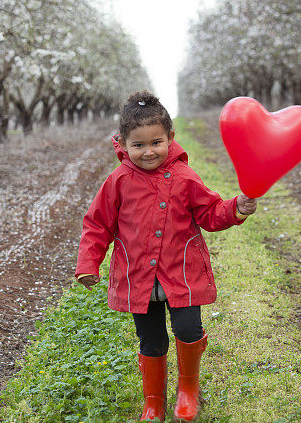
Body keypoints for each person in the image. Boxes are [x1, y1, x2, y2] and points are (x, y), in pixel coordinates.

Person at [75, 90, 257, 422]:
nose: (148, 152)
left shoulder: (186, 178)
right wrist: (89, 263)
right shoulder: (117, 182)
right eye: (139, 145)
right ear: (123, 143)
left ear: (170, 138)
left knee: (188, 329)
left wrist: (236, 208)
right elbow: (97, 224)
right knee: (151, 340)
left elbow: (210, 212)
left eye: (156, 142)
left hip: (182, 274)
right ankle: (154, 401)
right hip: (138, 279)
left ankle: (188, 390)